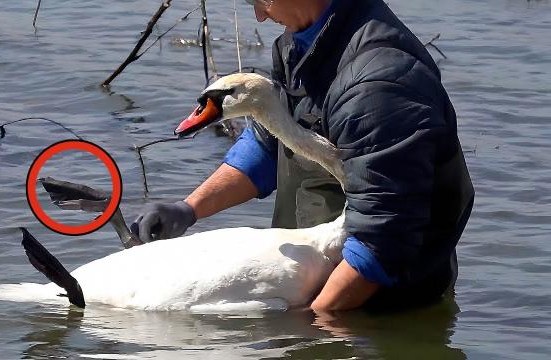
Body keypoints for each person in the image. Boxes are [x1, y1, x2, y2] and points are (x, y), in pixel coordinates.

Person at [131, 0, 474, 312]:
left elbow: (384, 241)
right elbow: (272, 141)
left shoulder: (378, 84)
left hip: (376, 304)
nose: (259, 15)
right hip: (316, 278)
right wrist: (189, 209)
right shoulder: (302, 42)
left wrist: (308, 326)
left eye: (260, 1)